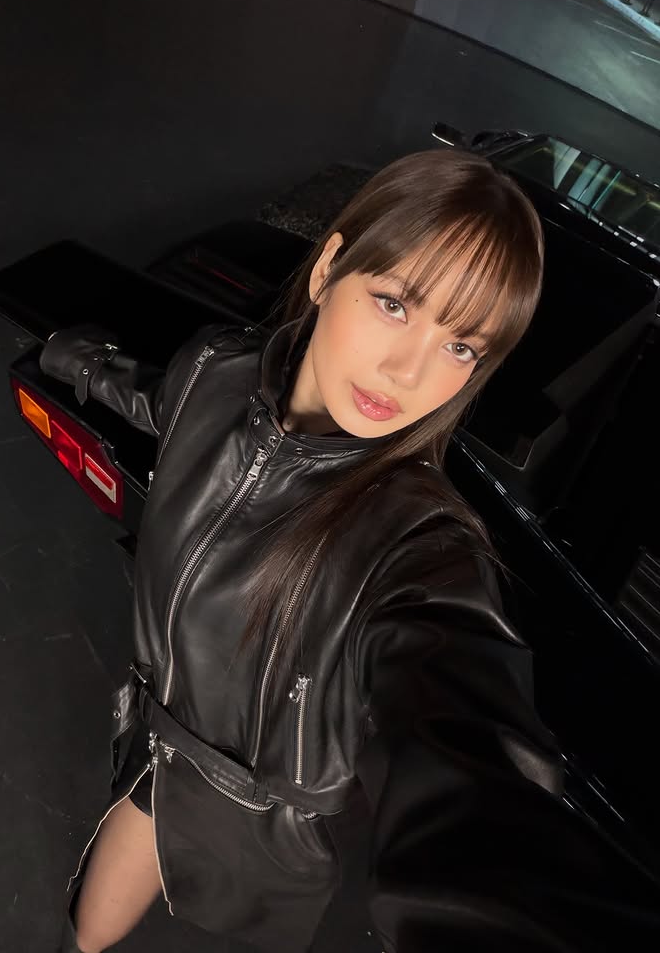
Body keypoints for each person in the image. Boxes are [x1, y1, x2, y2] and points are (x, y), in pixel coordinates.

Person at [42, 150, 660, 953]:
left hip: (268, 843)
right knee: (86, 934)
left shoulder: (419, 547)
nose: (408, 372)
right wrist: (77, 359)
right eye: (395, 304)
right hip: (159, 758)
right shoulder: (217, 370)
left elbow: (468, 743)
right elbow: (167, 402)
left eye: (462, 348)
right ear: (328, 267)